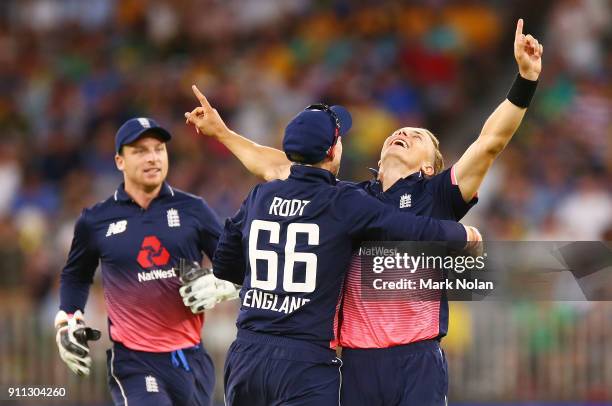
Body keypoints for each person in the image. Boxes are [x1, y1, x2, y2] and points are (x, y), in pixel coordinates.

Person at [185, 18, 542, 405]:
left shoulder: (439, 195)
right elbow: (281, 166)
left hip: (416, 357)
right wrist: (223, 134)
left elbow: (490, 142)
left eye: (417, 136)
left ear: (429, 165)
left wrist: (525, 79)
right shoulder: (346, 198)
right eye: (397, 132)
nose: (403, 133)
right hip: (354, 361)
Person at [208, 103, 481, 405]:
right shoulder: (344, 202)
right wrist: (462, 234)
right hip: (306, 361)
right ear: (332, 152)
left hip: (246, 353)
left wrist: (264, 285)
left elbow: (224, 264)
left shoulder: (261, 195)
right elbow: (407, 227)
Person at [54, 117, 237, 406]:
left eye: (158, 149)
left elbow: (238, 267)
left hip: (193, 359)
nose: (152, 158)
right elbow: (76, 275)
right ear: (119, 161)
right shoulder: (95, 220)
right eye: (140, 151)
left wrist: (224, 282)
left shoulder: (194, 210)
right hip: (134, 361)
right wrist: (67, 318)